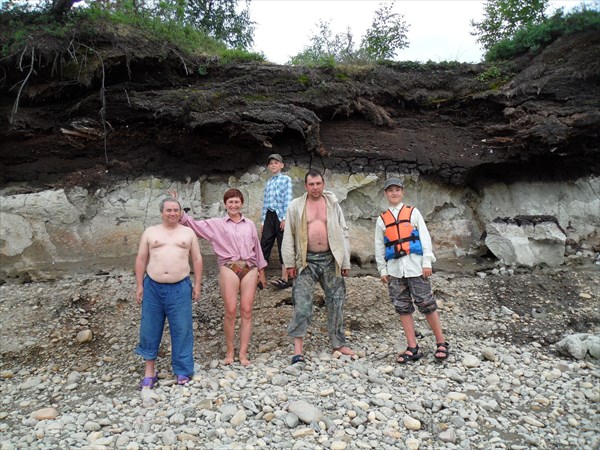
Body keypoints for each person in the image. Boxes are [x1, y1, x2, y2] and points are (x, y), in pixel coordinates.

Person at [169, 188, 267, 366]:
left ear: (242, 203)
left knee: (247, 311)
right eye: (230, 202)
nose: (234, 205)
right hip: (229, 265)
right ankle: (230, 352)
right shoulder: (216, 224)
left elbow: (257, 247)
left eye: (237, 202)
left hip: (250, 266)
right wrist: (178, 206)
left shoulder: (250, 224)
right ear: (225, 204)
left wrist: (262, 271)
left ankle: (243, 353)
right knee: (230, 310)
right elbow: (193, 225)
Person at [282, 169, 355, 364]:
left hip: (331, 258)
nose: (315, 187)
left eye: (318, 184)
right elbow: (288, 234)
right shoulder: (296, 206)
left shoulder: (332, 204)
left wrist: (345, 260)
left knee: (336, 301)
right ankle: (298, 350)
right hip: (306, 261)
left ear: (323, 184)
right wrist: (289, 263)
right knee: (302, 303)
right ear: (305, 186)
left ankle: (338, 344)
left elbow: (343, 231)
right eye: (311, 184)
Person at [374, 177, 449, 363]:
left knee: (427, 303)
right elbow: (379, 246)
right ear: (385, 194)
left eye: (397, 190)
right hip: (395, 270)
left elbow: (425, 238)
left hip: (416, 267)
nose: (394, 193)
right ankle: (412, 347)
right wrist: (382, 269)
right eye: (390, 190)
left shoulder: (413, 213)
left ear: (402, 192)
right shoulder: (382, 219)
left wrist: (427, 262)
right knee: (402, 306)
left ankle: (441, 342)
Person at [135, 196, 203, 389]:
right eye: (169, 210)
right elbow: (141, 259)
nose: (173, 213)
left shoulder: (188, 233)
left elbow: (197, 259)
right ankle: (149, 371)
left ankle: (182, 370)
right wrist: (139, 285)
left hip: (180, 287)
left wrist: (197, 285)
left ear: (180, 213)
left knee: (182, 329)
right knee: (149, 328)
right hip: (153, 287)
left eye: (176, 210)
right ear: (161, 212)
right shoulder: (151, 232)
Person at [260, 153, 293, 289]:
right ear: (268, 166)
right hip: (269, 215)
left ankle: (285, 277)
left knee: (282, 244)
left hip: (280, 216)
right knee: (265, 243)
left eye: (276, 163)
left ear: (281, 165)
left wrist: (285, 218)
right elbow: (265, 203)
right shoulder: (268, 183)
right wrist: (263, 221)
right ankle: (260, 276)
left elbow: (288, 200)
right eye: (271, 163)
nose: (273, 165)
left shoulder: (286, 179)